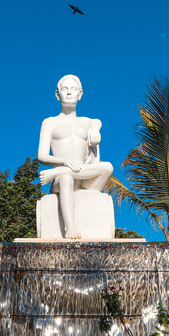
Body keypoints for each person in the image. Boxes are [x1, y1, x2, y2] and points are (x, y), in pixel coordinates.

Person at [38, 75, 114, 238]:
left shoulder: (86, 122)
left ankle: (57, 172)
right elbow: (42, 156)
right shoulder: (49, 122)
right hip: (61, 182)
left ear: (80, 94)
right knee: (66, 178)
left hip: (85, 181)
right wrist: (64, 162)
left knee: (108, 167)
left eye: (73, 90)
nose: (69, 93)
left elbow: (97, 120)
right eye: (65, 89)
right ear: (57, 94)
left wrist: (95, 128)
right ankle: (70, 227)